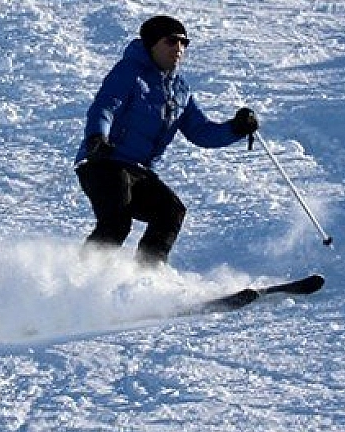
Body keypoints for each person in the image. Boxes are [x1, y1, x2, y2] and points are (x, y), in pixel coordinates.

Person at [75, 15, 260, 267]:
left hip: (139, 170)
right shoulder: (129, 72)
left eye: (184, 43)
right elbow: (106, 105)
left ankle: (148, 276)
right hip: (105, 161)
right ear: (152, 44)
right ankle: (82, 278)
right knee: (117, 221)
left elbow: (200, 131)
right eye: (171, 41)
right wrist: (97, 136)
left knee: (170, 211)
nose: (179, 49)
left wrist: (236, 129)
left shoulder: (179, 89)